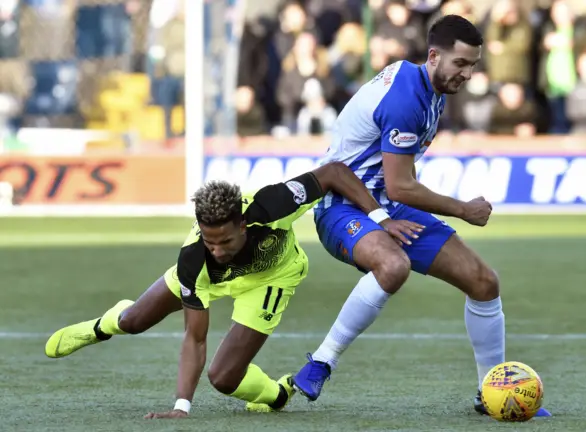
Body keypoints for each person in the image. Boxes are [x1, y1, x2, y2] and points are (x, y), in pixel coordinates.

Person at [291, 15, 551, 417]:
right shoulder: (407, 99)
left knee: (483, 282)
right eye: (461, 63)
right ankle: (321, 362)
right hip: (341, 204)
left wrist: (389, 210)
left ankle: (490, 392)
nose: (467, 74)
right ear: (433, 56)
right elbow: (400, 186)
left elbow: (398, 185)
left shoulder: (429, 86)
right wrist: (463, 210)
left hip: (385, 203)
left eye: (473, 65)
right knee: (393, 265)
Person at [44, 162, 422, 418]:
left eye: (224, 241)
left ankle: (277, 394)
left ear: (243, 223)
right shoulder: (194, 260)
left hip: (272, 279)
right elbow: (194, 338)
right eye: (210, 242)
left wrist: (379, 218)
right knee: (134, 320)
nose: (218, 250)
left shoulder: (271, 204)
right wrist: (181, 405)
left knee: (223, 378)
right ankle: (102, 326)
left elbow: (334, 173)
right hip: (207, 282)